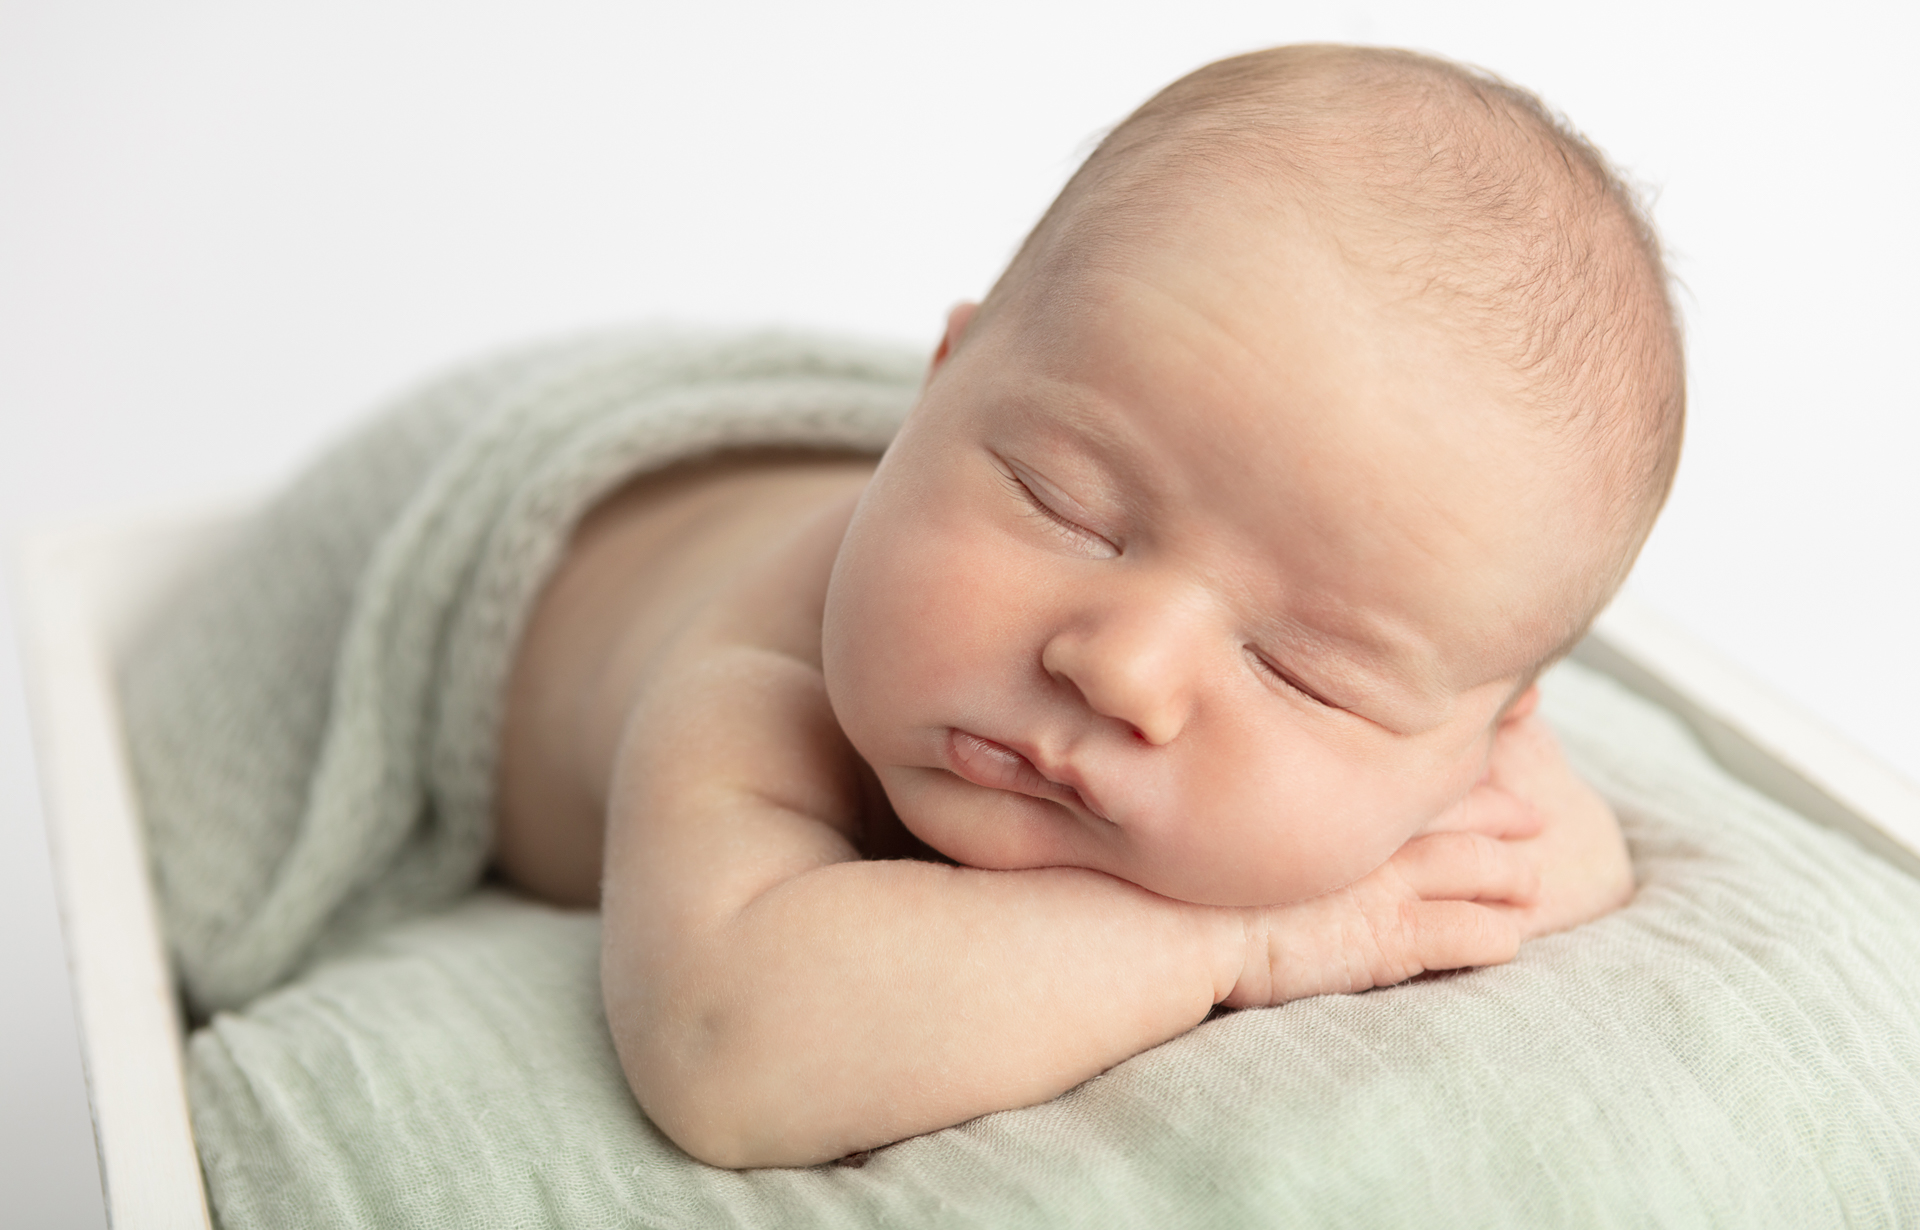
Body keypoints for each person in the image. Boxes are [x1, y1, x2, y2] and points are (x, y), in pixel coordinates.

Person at [492, 44, 1683, 1169]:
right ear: (936, 389)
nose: (1126, 669)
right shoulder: (762, 669)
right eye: (1063, 505)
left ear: (1497, 728)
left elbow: (1558, 860)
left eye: (1303, 670)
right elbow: (730, 1050)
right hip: (557, 561)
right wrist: (1240, 941)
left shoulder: (1437, 705)